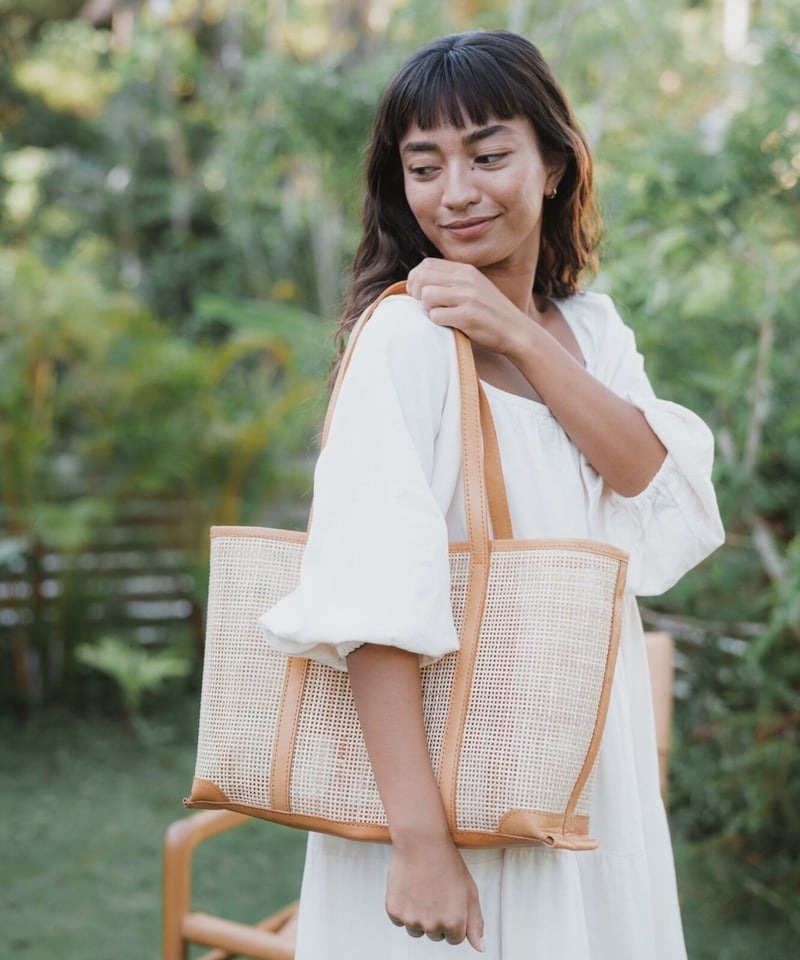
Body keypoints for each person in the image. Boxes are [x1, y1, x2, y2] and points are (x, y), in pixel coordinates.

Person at [260, 29, 724, 959]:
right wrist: (420, 847)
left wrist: (518, 332)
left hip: (579, 759)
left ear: (554, 163)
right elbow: (371, 602)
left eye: (489, 154)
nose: (457, 193)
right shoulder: (406, 340)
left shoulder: (587, 329)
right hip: (446, 784)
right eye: (424, 166)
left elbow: (646, 474)